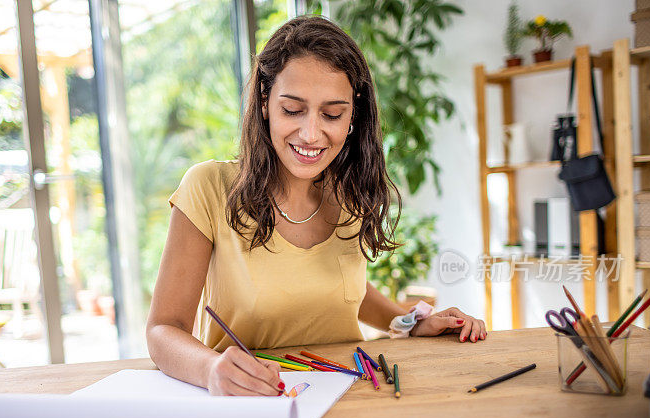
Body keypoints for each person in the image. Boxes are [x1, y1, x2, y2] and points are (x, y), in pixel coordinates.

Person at [146, 16, 486, 397]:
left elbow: (342, 289)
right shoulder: (209, 187)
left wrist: (409, 320)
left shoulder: (349, 191)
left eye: (332, 114)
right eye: (292, 109)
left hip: (350, 397)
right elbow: (163, 330)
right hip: (252, 404)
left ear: (353, 116)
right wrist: (211, 370)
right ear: (264, 103)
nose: (311, 134)